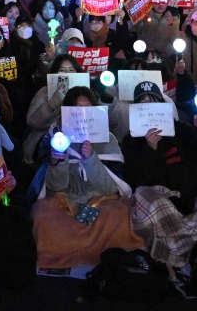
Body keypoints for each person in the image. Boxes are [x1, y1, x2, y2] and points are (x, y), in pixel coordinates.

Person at [123, 81, 197, 270]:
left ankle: (174, 245)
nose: (150, 107)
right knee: (146, 198)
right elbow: (136, 179)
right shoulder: (131, 140)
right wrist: (150, 149)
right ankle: (195, 243)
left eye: (154, 101)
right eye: (144, 103)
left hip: (187, 202)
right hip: (159, 206)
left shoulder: (181, 129)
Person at [31, 86, 144, 269]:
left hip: (100, 199)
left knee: (118, 213)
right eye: (76, 108)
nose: (82, 113)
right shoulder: (54, 138)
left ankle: (94, 254)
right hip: (65, 201)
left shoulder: (108, 139)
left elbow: (110, 189)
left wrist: (90, 158)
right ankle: (79, 253)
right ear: (66, 111)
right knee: (42, 214)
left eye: (87, 107)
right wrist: (57, 162)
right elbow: (54, 188)